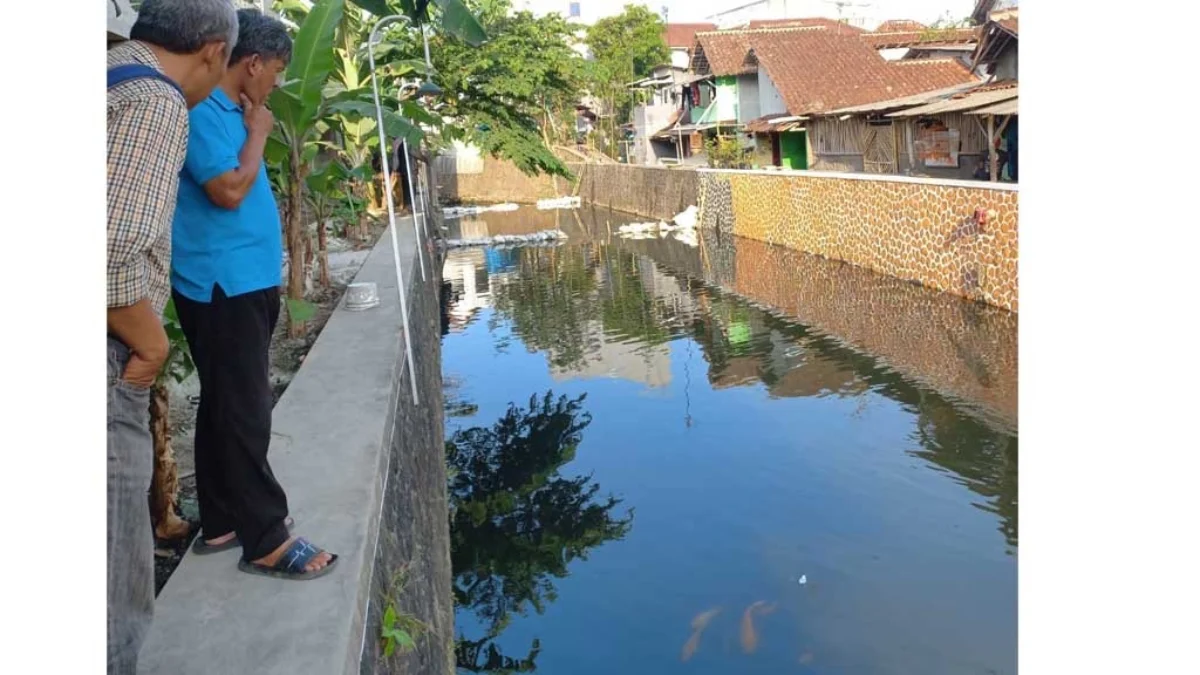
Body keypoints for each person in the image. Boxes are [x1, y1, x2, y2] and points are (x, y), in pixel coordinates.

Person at [171, 8, 338, 581]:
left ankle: (220, 520)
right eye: (277, 71)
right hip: (223, 284)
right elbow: (226, 190)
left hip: (243, 281)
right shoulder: (201, 113)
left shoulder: (234, 111)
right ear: (252, 62)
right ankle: (266, 538)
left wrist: (255, 126)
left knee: (224, 403)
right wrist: (260, 135)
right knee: (246, 409)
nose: (278, 84)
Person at [107, 1, 237, 672]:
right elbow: (107, 254)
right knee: (109, 590)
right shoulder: (156, 102)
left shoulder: (106, 76)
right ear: (214, 51)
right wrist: (151, 345)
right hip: (110, 354)